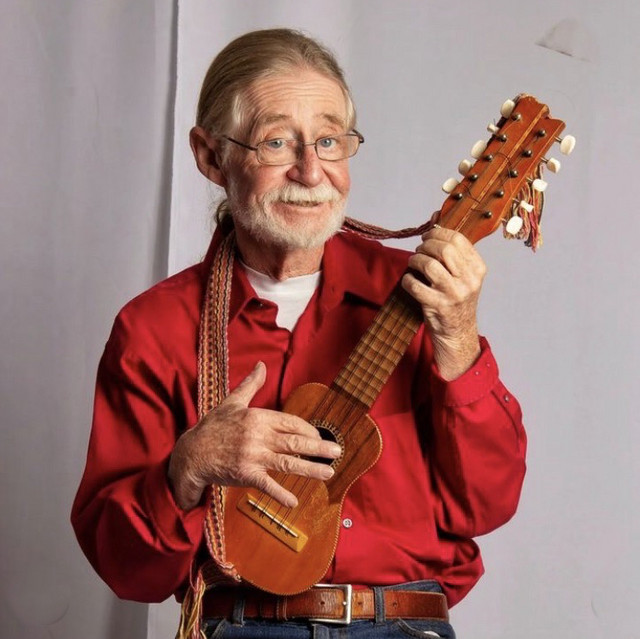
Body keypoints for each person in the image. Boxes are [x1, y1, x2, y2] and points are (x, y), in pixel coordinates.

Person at [71, 28, 527, 639]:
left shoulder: (423, 295)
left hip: (404, 624)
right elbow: (127, 569)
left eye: (330, 141)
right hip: (243, 625)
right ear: (211, 157)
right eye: (277, 142)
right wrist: (189, 466)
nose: (311, 172)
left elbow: (488, 505)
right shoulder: (155, 328)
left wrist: (460, 343)